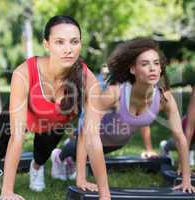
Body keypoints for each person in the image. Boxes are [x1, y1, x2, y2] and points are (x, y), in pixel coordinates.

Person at [0, 15, 110, 200]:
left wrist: (103, 193)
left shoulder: (87, 79)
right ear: (46, 44)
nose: (68, 49)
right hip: (24, 112)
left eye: (74, 42)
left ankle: (36, 168)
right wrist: (7, 192)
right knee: (3, 143)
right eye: (59, 42)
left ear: (80, 44)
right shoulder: (24, 72)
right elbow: (18, 136)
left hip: (54, 120)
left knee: (43, 153)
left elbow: (90, 135)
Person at [73, 38, 194, 193]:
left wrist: (186, 180)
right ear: (132, 69)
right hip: (92, 136)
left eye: (156, 63)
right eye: (145, 64)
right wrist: (81, 178)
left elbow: (180, 137)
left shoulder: (165, 98)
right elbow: (85, 134)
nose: (152, 68)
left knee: (117, 138)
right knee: (74, 149)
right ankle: (61, 157)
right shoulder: (114, 93)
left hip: (119, 140)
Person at [160, 86, 195, 166]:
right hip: (188, 126)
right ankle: (165, 146)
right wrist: (182, 164)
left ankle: (189, 153)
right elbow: (189, 131)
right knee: (179, 142)